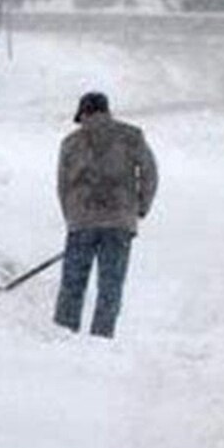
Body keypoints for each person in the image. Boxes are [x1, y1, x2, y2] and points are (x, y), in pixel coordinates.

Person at [54, 91, 158, 339]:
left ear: (84, 113)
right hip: (119, 221)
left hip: (81, 221)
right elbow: (150, 174)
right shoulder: (131, 136)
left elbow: (63, 185)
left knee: (73, 282)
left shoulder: (70, 143)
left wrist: (71, 217)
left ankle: (64, 332)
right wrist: (141, 207)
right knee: (111, 284)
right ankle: (102, 335)